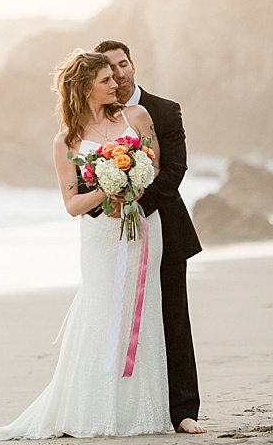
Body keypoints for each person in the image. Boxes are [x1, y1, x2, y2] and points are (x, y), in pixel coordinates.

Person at [0, 50, 169, 440]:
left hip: (142, 228)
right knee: (101, 312)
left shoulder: (136, 118)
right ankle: (94, 410)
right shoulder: (66, 141)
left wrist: (134, 185)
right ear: (85, 87)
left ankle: (140, 413)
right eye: (105, 79)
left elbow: (154, 167)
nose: (115, 84)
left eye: (114, 77)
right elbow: (72, 204)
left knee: (143, 311)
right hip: (100, 237)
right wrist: (107, 188)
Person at [94, 39, 205, 434]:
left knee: (173, 320)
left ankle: (183, 411)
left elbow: (175, 170)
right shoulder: (96, 118)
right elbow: (87, 174)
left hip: (166, 230)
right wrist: (108, 208)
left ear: (133, 65)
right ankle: (125, 407)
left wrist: (138, 207)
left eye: (123, 65)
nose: (118, 74)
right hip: (113, 238)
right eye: (109, 69)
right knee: (117, 322)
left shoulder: (164, 110)